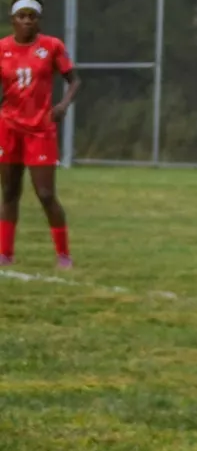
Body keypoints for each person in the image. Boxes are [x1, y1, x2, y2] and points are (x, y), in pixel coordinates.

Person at [0, 0, 78, 269]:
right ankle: (5, 253)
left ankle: (64, 255)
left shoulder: (51, 46)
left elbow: (74, 80)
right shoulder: (2, 48)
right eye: (22, 16)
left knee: (45, 193)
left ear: (39, 20)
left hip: (40, 129)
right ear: (13, 20)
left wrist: (63, 105)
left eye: (32, 16)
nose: (27, 21)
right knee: (9, 192)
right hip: (9, 128)